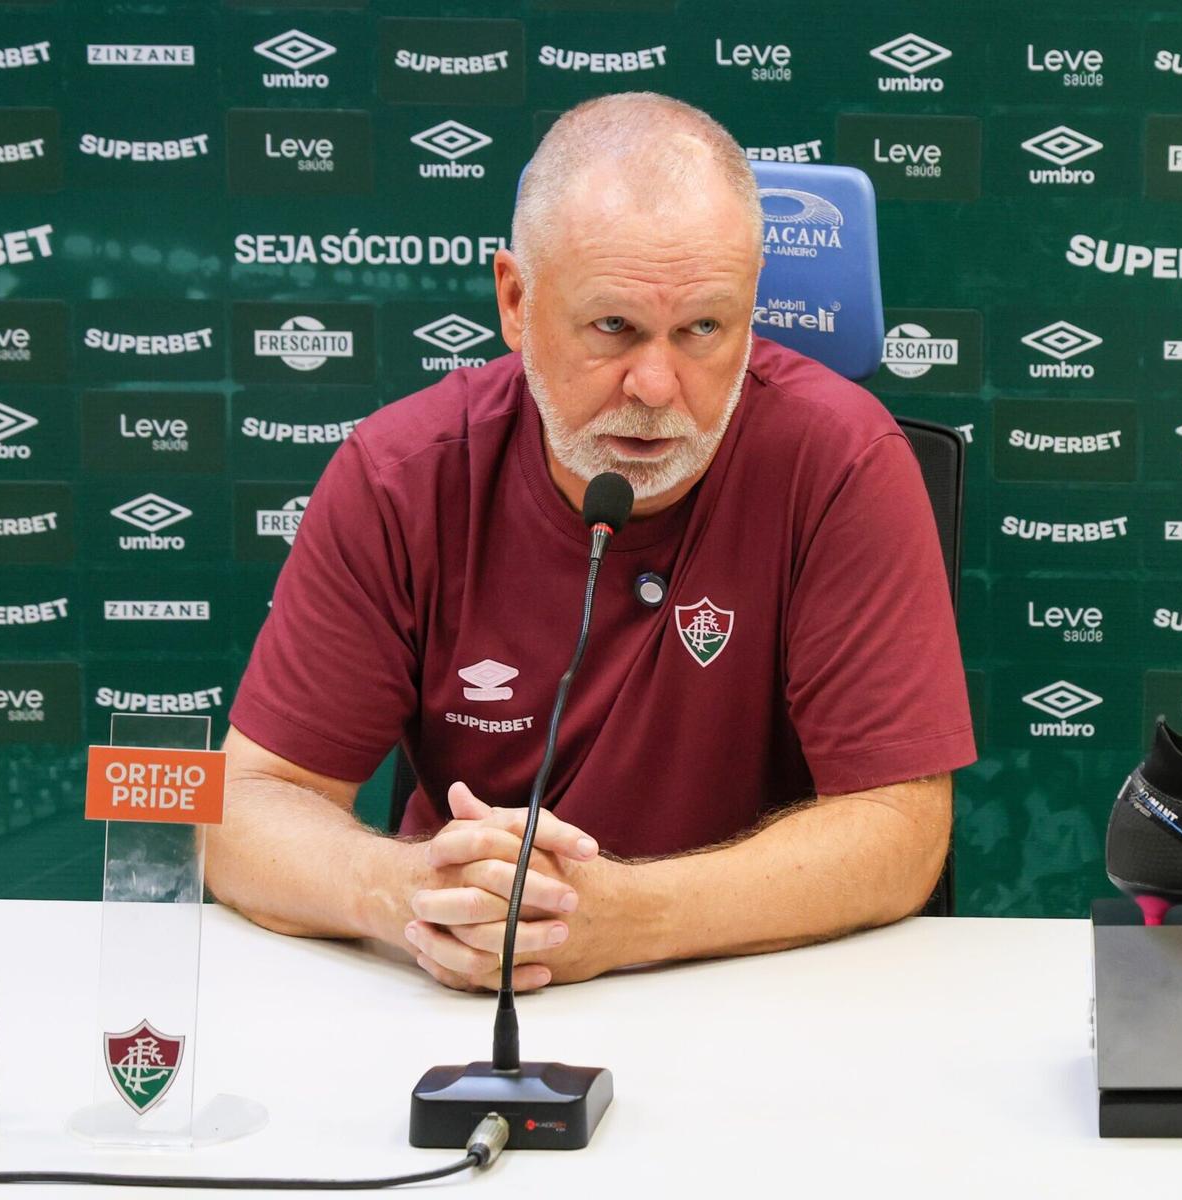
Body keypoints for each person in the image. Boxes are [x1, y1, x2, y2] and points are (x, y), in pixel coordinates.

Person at [206, 92, 974, 992]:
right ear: (516, 300)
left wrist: (626, 919)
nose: (655, 384)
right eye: (613, 327)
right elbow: (244, 809)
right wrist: (408, 892)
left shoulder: (844, 459)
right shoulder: (402, 472)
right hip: (464, 984)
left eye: (703, 329)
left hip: (753, 996)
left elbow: (899, 831)